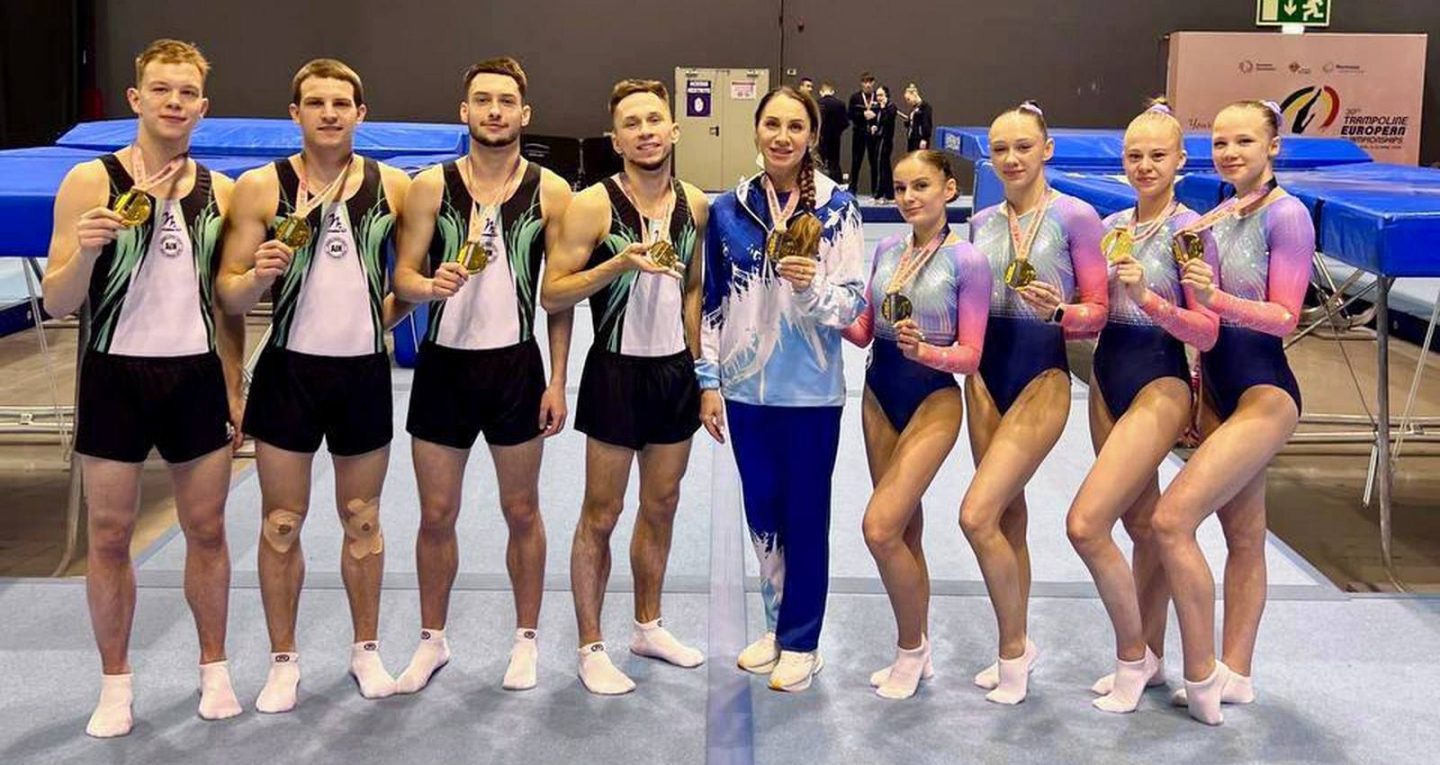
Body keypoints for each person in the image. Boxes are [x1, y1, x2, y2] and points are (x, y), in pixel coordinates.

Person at [42, 38, 244, 738]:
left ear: (203, 107)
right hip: (114, 375)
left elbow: (226, 304)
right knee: (108, 534)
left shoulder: (220, 192)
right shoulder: (90, 182)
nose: (174, 103)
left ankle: (214, 667)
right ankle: (115, 682)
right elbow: (58, 302)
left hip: (195, 375)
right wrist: (85, 249)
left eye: (187, 93)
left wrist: (234, 384)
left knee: (208, 529)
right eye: (161, 89)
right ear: (136, 98)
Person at [216, 58, 411, 712]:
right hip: (289, 373)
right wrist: (259, 274)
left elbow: (410, 283)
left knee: (363, 518)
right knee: (280, 523)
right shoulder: (260, 189)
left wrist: (376, 321)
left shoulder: (393, 188)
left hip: (362, 373)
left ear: (361, 114)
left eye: (342, 103)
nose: (330, 113)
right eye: (317, 103)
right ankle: (283, 660)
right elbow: (228, 297)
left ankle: (366, 650)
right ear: (294, 113)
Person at [388, 57, 574, 695]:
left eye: (506, 101)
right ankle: (431, 641)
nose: (495, 111)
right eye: (483, 100)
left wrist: (558, 380)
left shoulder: (551, 192)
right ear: (464, 111)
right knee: (436, 513)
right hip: (444, 367)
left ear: (525, 113)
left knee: (522, 509)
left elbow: (557, 297)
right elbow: (403, 276)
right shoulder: (430, 187)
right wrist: (428, 285)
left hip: (515, 365)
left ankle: (526, 640)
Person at [541, 79, 710, 695]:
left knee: (661, 505)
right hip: (614, 371)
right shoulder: (592, 205)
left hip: (673, 374)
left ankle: (648, 626)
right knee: (602, 512)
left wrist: (701, 372)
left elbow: (694, 288)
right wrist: (616, 263)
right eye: (631, 124)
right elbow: (552, 293)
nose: (645, 132)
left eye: (654, 120)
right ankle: (591, 645)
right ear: (615, 140)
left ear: (674, 130)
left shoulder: (696, 203)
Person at [700, 85, 864, 692]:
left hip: (811, 394)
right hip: (745, 391)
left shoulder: (837, 209)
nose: (783, 136)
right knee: (762, 509)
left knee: (805, 515)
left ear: (812, 136)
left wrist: (809, 287)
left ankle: (803, 640)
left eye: (796, 126)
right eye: (773, 124)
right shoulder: (728, 209)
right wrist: (709, 380)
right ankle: (776, 626)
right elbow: (713, 302)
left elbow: (852, 305)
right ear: (756, 130)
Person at [1153, 99, 1312, 726]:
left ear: (1273, 146)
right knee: (1244, 537)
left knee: (1172, 519)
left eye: (1244, 141)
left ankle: (1203, 671)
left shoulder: (1287, 215)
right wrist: (1197, 390)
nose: (1229, 153)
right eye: (1220, 143)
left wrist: (1216, 297)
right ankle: (1238, 673)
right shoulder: (1217, 215)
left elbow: (1285, 317)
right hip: (1218, 388)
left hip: (1265, 390)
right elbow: (1203, 327)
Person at [1066, 99, 1219, 714]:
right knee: (1138, 524)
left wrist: (1149, 297)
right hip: (1106, 377)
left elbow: (1206, 331)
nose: (1145, 166)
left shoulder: (1191, 232)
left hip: (1160, 378)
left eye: (1158, 155)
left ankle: (1131, 656)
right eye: (1135, 156)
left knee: (1086, 524)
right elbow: (1092, 314)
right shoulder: (1111, 227)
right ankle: (1152, 655)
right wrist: (1062, 309)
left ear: (1181, 160)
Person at [962, 101, 1107, 705]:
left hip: (1041, 374)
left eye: (1023, 146)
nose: (1011, 158)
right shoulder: (981, 223)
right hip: (983, 380)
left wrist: (1060, 311)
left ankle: (1014, 651)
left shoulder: (1076, 216)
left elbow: (1098, 312)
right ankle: (1015, 637)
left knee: (975, 515)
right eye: (1000, 149)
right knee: (1006, 517)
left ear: (1046, 149)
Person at [843, 151, 988, 699]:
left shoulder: (967, 260)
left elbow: (971, 356)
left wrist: (927, 351)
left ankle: (910, 649)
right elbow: (864, 331)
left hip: (933, 399)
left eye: (921, 186)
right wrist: (821, 304)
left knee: (879, 528)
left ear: (949, 189)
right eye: (901, 187)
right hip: (878, 395)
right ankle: (917, 643)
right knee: (904, 530)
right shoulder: (887, 249)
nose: (908, 197)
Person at [847, 73, 881, 196]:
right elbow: (850, 115)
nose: (867, 85)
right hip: (859, 134)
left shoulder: (878, 97)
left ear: (873, 83)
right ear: (861, 83)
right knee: (856, 162)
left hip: (874, 135)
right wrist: (863, 115)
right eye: (865, 82)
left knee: (874, 162)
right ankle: (852, 189)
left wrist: (875, 117)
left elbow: (883, 113)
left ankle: (875, 191)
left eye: (870, 82)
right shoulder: (855, 98)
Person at [817, 83, 848, 180]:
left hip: (820, 137)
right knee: (834, 163)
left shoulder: (817, 103)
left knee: (819, 162)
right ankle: (836, 182)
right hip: (835, 137)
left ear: (821, 92)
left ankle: (820, 183)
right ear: (833, 92)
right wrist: (838, 131)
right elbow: (845, 123)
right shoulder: (840, 104)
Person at [873, 86, 898, 202]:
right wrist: (874, 126)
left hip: (886, 140)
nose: (879, 98)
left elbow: (887, 121)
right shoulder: (878, 107)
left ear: (886, 95)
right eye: (877, 95)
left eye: (881, 95)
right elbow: (878, 121)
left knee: (881, 166)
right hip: (879, 138)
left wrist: (883, 109)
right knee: (885, 167)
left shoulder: (891, 107)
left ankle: (879, 194)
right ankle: (889, 194)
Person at [901, 84, 933, 152]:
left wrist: (924, 139)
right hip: (912, 138)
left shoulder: (925, 107)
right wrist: (908, 122)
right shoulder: (913, 109)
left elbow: (926, 124)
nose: (908, 102)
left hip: (919, 139)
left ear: (914, 95)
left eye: (908, 99)